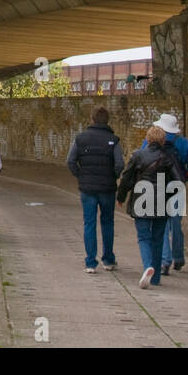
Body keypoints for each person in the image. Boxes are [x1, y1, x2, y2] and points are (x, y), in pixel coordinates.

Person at [116, 125, 185, 289]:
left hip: (141, 201)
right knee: (158, 238)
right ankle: (155, 278)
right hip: (162, 203)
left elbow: (126, 178)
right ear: (162, 141)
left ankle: (148, 266)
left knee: (143, 237)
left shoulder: (138, 156)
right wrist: (169, 196)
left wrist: (121, 196)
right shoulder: (168, 157)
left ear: (147, 139)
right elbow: (179, 181)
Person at [67, 107, 125, 273]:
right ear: (107, 121)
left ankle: (90, 262)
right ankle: (108, 259)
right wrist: (112, 176)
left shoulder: (81, 139)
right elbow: (120, 164)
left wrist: (81, 176)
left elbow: (71, 161)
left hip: (87, 188)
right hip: (107, 188)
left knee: (89, 223)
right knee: (107, 222)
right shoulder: (113, 140)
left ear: (92, 119)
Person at [141, 113, 188, 275]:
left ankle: (165, 260)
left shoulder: (149, 142)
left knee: (161, 223)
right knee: (176, 223)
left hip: (157, 186)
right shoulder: (184, 143)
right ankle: (178, 257)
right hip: (177, 186)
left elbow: (143, 160)